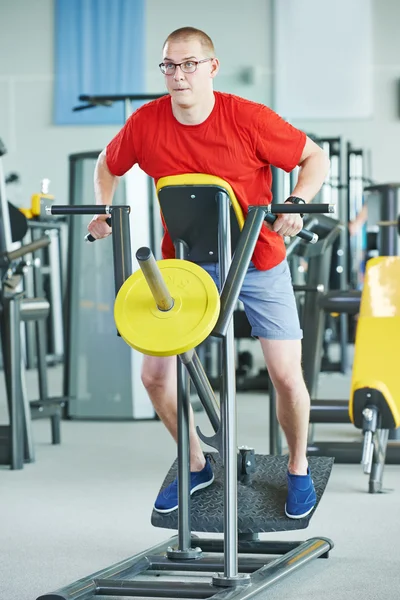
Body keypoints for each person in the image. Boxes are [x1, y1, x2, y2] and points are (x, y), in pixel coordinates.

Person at [88, 27, 330, 519]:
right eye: (169, 67)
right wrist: (102, 207)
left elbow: (314, 156)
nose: (178, 76)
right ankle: (196, 461)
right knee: (155, 375)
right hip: (185, 263)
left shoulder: (247, 118)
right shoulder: (146, 123)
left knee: (285, 375)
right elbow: (106, 163)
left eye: (189, 65)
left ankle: (298, 468)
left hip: (257, 258)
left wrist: (297, 202)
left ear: (211, 68)